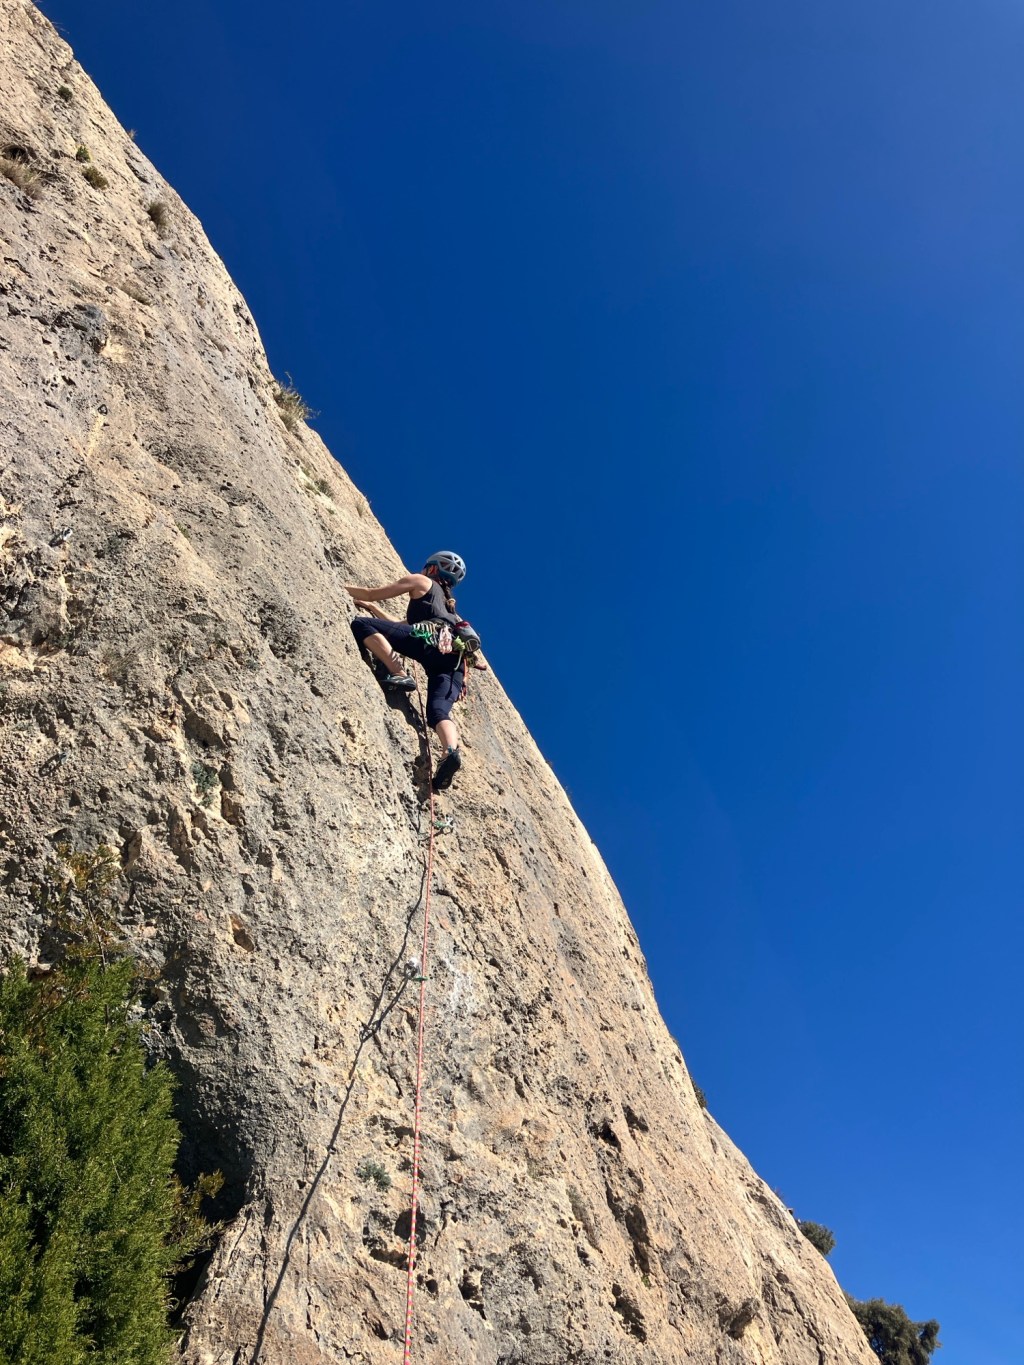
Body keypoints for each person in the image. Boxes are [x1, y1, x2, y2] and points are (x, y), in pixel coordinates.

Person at [346, 551, 487, 791]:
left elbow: (372, 593)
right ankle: (450, 751)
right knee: (438, 712)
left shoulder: (421, 582)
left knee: (362, 624)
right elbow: (401, 627)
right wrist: (372, 608)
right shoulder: (448, 610)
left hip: (428, 642)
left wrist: (345, 589)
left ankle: (399, 673)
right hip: (454, 663)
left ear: (432, 569)